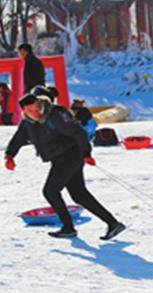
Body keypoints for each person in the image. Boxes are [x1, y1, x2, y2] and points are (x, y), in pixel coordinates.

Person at [4, 93, 125, 239]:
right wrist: (9, 155)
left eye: (37, 109)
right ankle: (113, 223)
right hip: (59, 158)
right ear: (24, 111)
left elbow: (78, 132)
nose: (35, 113)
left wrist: (86, 153)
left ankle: (68, 227)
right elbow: (18, 138)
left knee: (50, 191)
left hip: (70, 155)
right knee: (79, 194)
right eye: (30, 111)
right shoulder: (27, 122)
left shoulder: (55, 114)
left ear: (40, 105)